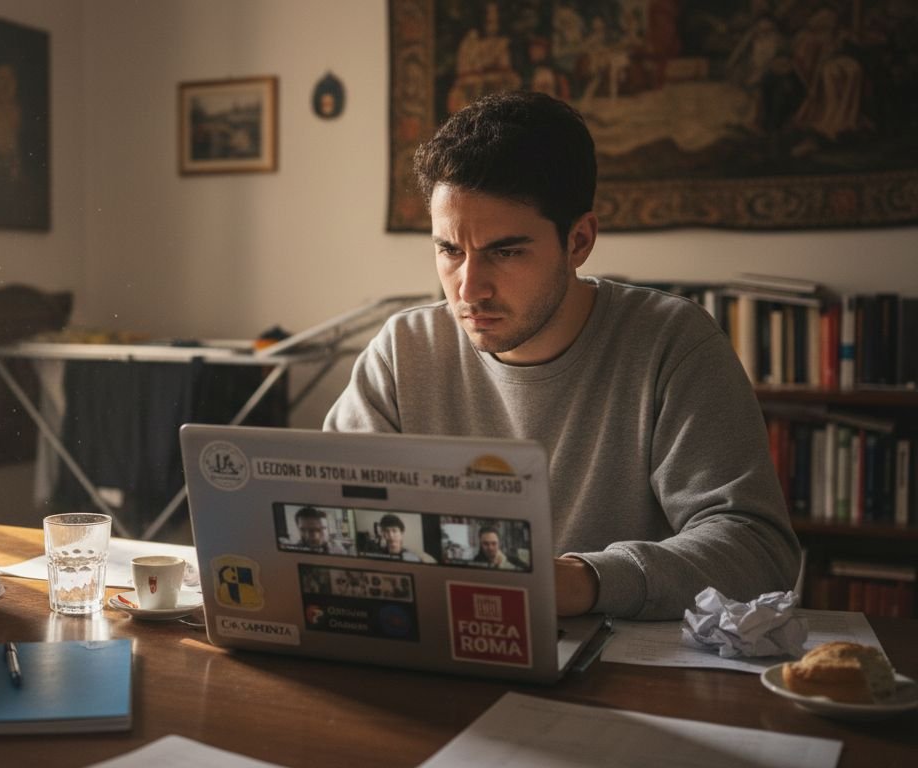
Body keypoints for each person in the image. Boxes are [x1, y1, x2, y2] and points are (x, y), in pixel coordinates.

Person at [325, 91, 800, 620]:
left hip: (616, 673)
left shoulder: (672, 342)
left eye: (505, 252)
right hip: (435, 643)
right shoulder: (402, 350)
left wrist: (586, 581)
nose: (469, 289)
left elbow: (757, 548)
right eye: (449, 251)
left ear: (578, 241)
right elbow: (334, 511)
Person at [368, 514, 436, 563]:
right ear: (383, 533)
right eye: (386, 531)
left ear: (401, 532)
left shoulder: (411, 557)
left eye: (394, 531)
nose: (391, 535)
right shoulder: (378, 554)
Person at [288, 506, 353, 555]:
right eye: (303, 530)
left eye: (318, 529)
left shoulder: (337, 550)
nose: (313, 537)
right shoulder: (292, 552)